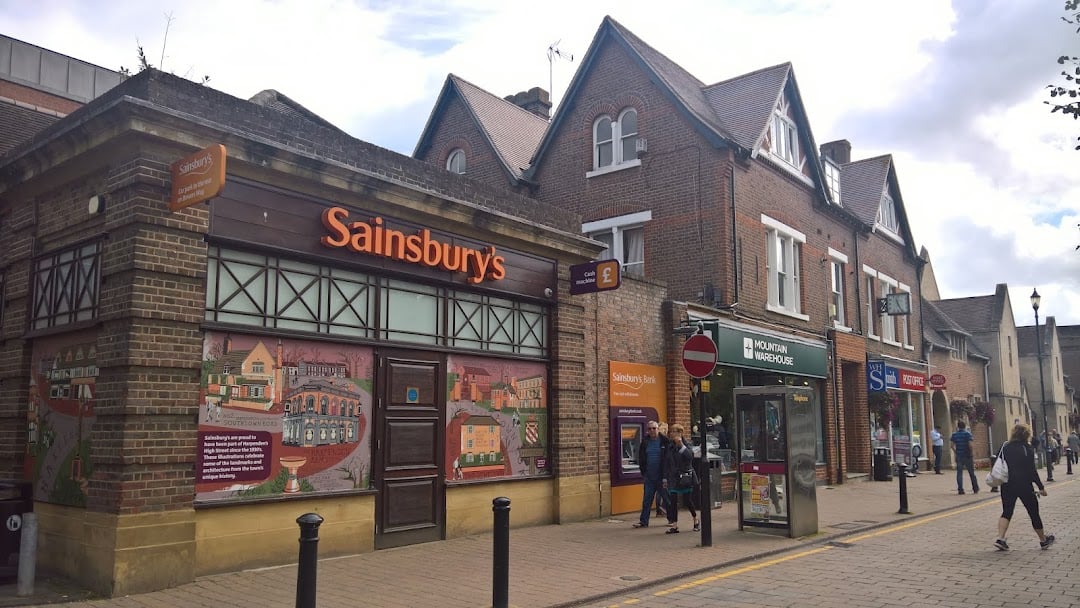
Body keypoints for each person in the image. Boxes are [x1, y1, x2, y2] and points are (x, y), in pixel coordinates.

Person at [993, 423, 1055, 551]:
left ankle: (1000, 538)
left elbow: (996, 461)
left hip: (1007, 483)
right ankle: (1043, 540)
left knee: (1007, 510)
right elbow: (1032, 470)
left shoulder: (1005, 446)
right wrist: (1041, 487)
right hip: (1024, 485)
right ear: (1026, 434)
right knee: (1033, 512)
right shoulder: (1027, 448)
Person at [633, 420, 671, 528]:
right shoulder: (645, 442)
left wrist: (666, 476)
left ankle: (672, 520)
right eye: (650, 429)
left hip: (661, 477)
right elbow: (641, 457)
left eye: (654, 428)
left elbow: (668, 460)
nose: (652, 431)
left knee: (667, 499)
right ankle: (644, 521)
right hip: (649, 476)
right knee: (647, 500)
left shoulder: (665, 442)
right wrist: (643, 472)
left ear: (658, 429)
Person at [662, 424, 699, 534]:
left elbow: (689, 457)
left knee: (687, 501)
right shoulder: (669, 446)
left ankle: (695, 519)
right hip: (673, 478)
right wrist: (664, 478)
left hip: (685, 477)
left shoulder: (686, 444)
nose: (672, 434)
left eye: (675, 431)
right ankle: (675, 525)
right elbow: (666, 463)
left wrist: (681, 445)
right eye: (671, 431)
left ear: (680, 433)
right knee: (673, 501)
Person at [950, 420, 979, 495]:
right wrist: (972, 453)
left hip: (959, 455)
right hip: (967, 455)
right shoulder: (967, 434)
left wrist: (956, 452)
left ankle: (960, 489)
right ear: (964, 426)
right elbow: (970, 444)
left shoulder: (954, 435)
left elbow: (951, 446)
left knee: (959, 473)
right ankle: (975, 488)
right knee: (971, 472)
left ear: (958, 426)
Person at [654, 422, 670, 517]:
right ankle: (663, 508)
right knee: (664, 490)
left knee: (658, 491)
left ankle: (658, 511)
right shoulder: (665, 442)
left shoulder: (657, 441)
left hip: (656, 469)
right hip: (663, 470)